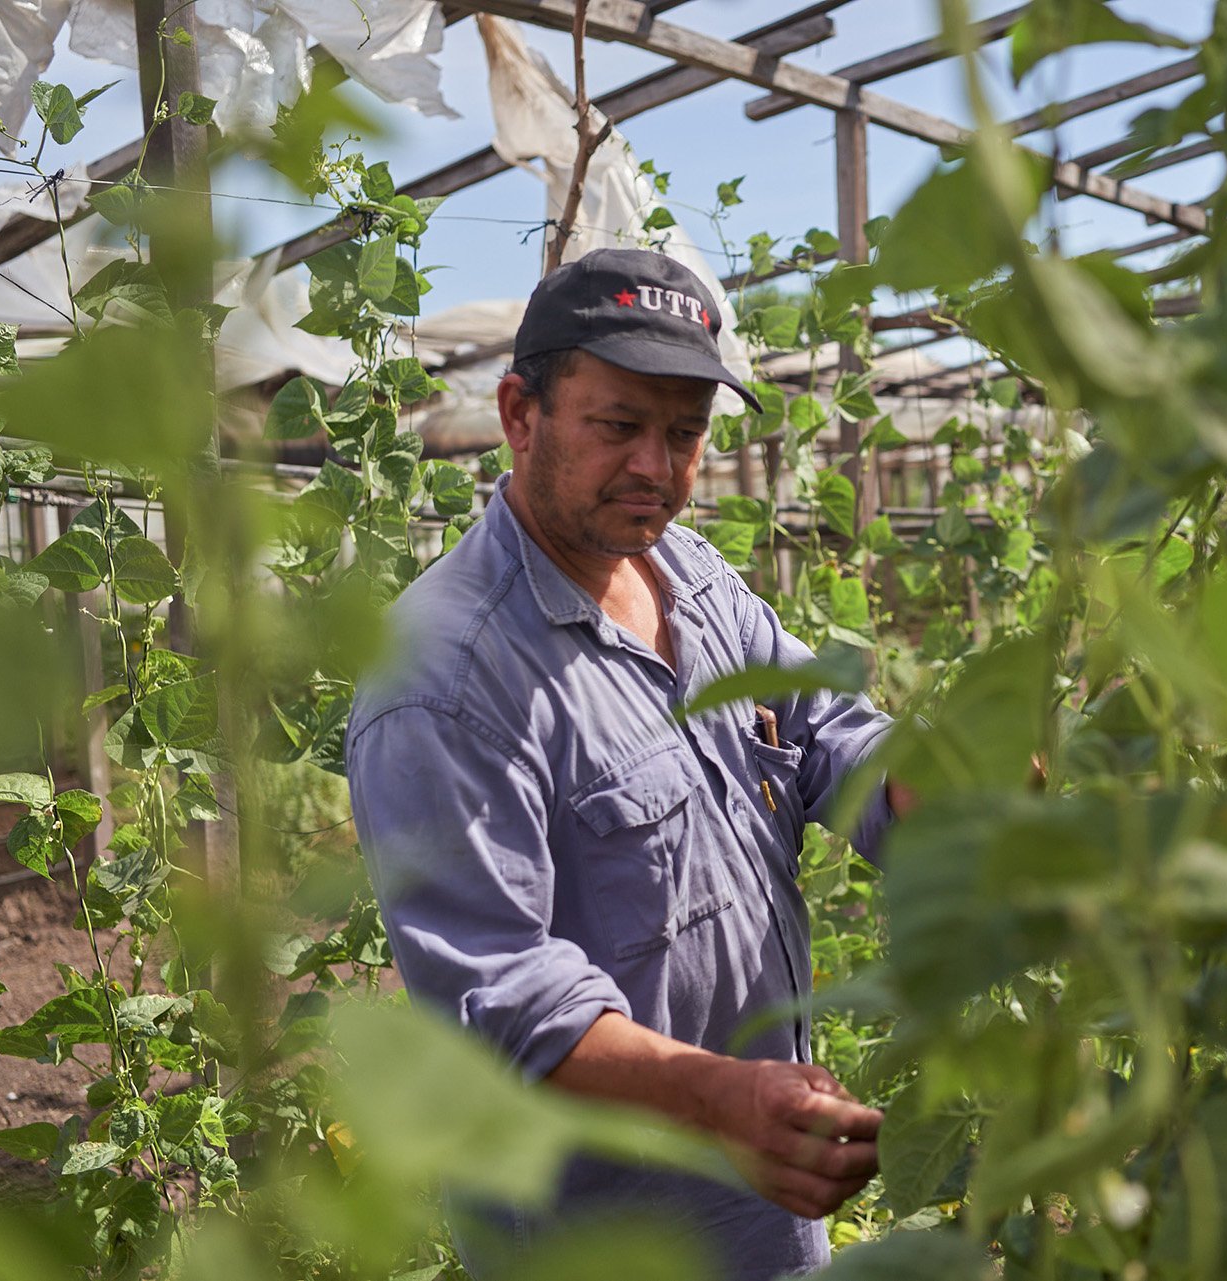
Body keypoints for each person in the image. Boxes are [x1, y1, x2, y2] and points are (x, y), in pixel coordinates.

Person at [345, 248, 904, 1280]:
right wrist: (723, 1098)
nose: (656, 466)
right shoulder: (447, 677)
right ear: (521, 414)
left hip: (762, 1201)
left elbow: (824, 730)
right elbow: (501, 1002)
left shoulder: (682, 570)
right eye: (618, 427)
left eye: (684, 433)